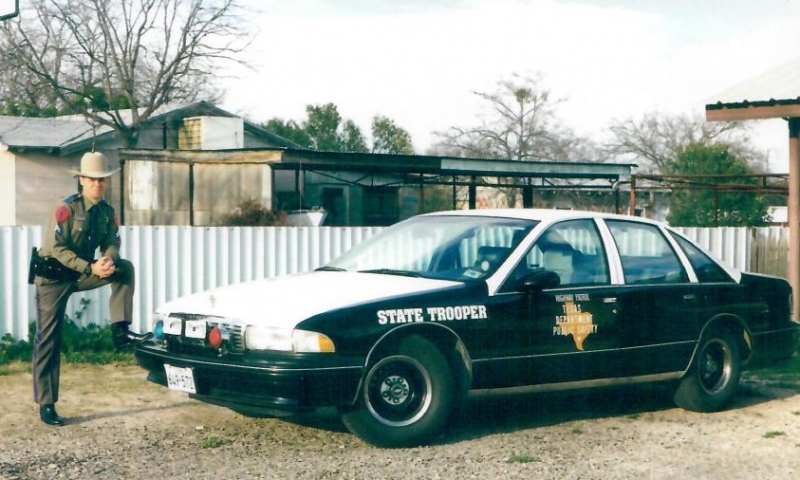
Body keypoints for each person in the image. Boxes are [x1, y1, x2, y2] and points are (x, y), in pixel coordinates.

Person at [32, 151, 136, 426]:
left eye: (102, 180)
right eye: (91, 179)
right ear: (81, 180)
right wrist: (91, 267)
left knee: (124, 268)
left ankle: (120, 329)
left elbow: (112, 242)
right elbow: (56, 249)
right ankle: (46, 403)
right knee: (48, 340)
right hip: (53, 278)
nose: (97, 185)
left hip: (81, 274)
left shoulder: (107, 212)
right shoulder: (66, 209)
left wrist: (108, 260)